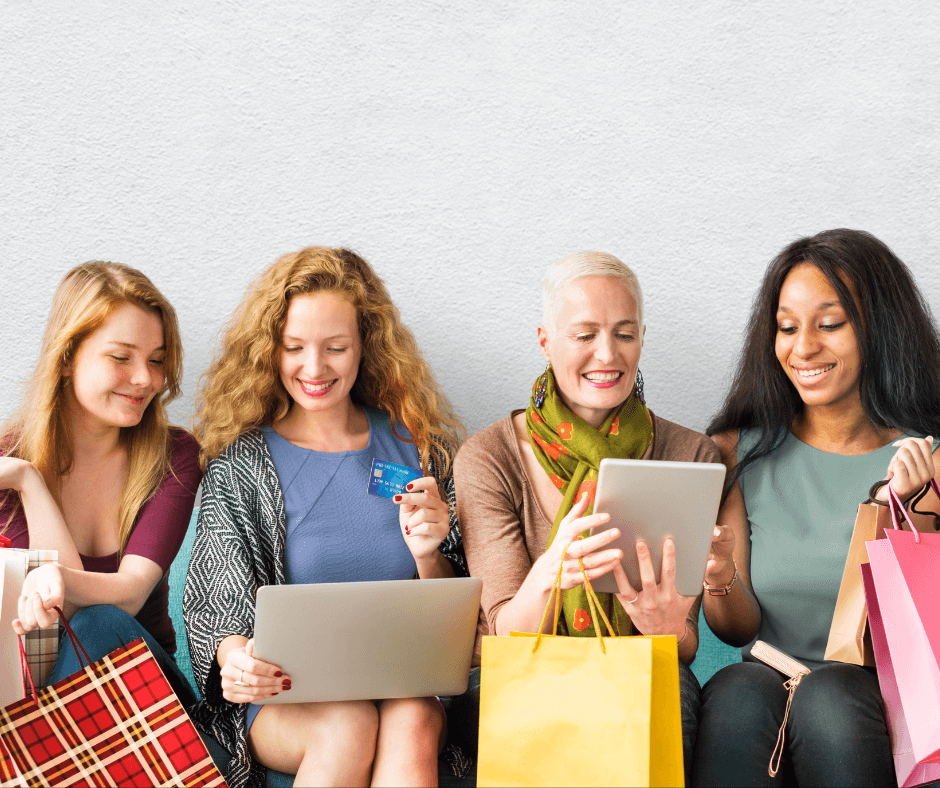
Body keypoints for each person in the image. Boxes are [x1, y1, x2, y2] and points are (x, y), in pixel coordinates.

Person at [184, 246, 468, 788]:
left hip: (407, 690)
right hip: (290, 702)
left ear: (367, 348)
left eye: (335, 348)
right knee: (346, 721)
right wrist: (234, 656)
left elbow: (459, 615)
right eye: (294, 348)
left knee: (411, 719)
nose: (314, 369)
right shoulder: (242, 466)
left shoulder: (421, 450)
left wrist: (429, 554)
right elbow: (214, 606)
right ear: (271, 350)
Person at [452, 250, 729, 784]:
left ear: (643, 339)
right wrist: (553, 569)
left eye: (625, 334)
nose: (608, 353)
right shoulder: (489, 457)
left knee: (670, 694)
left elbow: (684, 646)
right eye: (584, 335)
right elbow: (500, 639)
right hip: (519, 676)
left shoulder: (690, 454)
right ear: (544, 341)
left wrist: (665, 627)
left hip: (637, 674)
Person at [694, 229, 940, 787]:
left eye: (829, 324)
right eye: (787, 327)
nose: (802, 347)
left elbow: (915, 643)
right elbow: (737, 633)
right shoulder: (741, 452)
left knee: (829, 697)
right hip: (767, 681)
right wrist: (720, 578)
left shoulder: (927, 460)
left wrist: (914, 515)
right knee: (736, 688)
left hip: (873, 702)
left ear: (879, 329)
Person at [0, 261, 200, 704]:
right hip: (38, 703)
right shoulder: (8, 465)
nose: (146, 379)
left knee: (98, 624)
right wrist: (29, 480)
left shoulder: (175, 456)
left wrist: (58, 576)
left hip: (150, 707)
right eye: (121, 357)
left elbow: (126, 596)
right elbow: (55, 622)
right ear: (68, 356)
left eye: (157, 361)